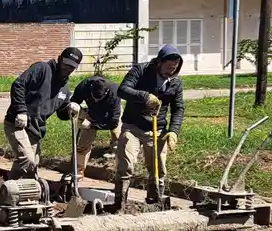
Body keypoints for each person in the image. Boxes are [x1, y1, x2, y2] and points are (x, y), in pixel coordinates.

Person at [115, 44, 186, 210]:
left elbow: (178, 108)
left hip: (157, 129)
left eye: (175, 68)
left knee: (158, 168)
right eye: (168, 67)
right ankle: (120, 202)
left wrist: (173, 131)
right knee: (126, 164)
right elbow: (122, 90)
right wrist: (145, 96)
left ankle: (154, 201)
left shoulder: (175, 82)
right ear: (159, 62)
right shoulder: (141, 70)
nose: (171, 72)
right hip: (133, 126)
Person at [5, 46, 82, 180]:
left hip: (35, 131)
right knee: (27, 160)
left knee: (31, 168)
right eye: (66, 64)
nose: (67, 68)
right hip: (18, 124)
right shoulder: (42, 69)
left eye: (72, 67)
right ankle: (11, 192)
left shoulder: (64, 89)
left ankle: (14, 191)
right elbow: (18, 85)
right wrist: (21, 111)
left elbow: (61, 114)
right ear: (59, 59)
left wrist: (70, 109)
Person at [57, 73, 122, 195]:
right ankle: (78, 171)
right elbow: (74, 102)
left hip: (110, 116)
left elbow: (113, 122)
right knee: (82, 145)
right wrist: (74, 109)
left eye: (99, 98)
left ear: (106, 92)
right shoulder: (84, 86)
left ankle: (118, 175)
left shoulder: (115, 92)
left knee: (119, 140)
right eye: (94, 98)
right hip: (91, 114)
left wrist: (92, 125)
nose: (96, 100)